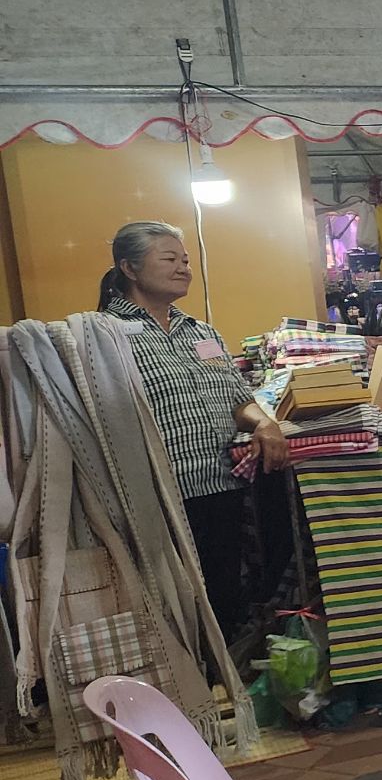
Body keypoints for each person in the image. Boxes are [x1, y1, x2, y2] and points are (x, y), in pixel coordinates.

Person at [101, 221, 290, 634]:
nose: (183, 267)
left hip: (221, 487)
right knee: (170, 609)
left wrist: (266, 424)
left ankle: (226, 690)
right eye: (169, 259)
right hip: (156, 498)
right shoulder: (105, 335)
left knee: (225, 600)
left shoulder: (201, 332)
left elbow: (240, 401)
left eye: (185, 260)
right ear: (129, 268)